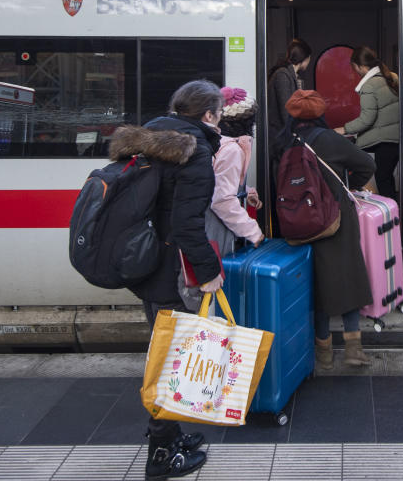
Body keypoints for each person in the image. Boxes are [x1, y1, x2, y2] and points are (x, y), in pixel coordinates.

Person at [110, 79, 225, 481]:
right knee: (169, 360)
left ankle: (172, 432)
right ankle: (161, 455)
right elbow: (187, 224)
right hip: (169, 270)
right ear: (208, 115)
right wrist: (209, 274)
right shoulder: (193, 153)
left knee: (165, 349)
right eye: (220, 114)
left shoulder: (150, 139)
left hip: (145, 263)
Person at [282, 89, 376, 369]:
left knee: (316, 286)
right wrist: (351, 186)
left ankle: (323, 353)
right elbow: (366, 164)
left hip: (297, 221)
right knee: (348, 278)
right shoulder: (329, 140)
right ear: (320, 113)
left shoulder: (283, 142)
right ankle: (353, 349)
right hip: (335, 219)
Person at [333, 46, 400, 201]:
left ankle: (390, 216)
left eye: (354, 68)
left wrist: (344, 129)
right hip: (395, 139)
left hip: (384, 141)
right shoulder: (391, 77)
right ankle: (393, 212)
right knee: (387, 179)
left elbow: (367, 119)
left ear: (360, 66)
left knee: (382, 180)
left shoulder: (369, 86)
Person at [207, 86, 265, 257]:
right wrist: (253, 231)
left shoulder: (216, 142)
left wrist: (246, 191)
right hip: (213, 224)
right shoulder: (231, 150)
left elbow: (216, 181)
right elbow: (222, 199)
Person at [267, 38, 312, 144]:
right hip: (279, 134)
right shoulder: (283, 74)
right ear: (305, 58)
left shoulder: (291, 75)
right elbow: (286, 109)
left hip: (284, 133)